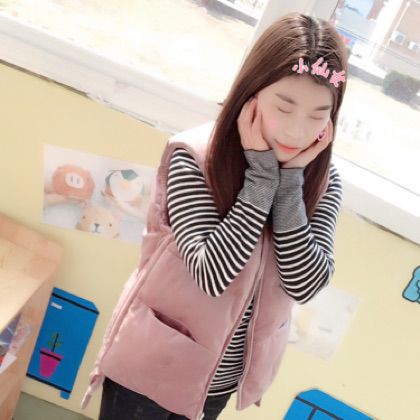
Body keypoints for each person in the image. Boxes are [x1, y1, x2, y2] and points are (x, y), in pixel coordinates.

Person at [81, 11, 348, 420]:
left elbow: (305, 284)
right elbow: (211, 274)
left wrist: (290, 185)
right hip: (150, 368)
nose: (297, 131)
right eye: (284, 106)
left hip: (219, 383)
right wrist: (263, 178)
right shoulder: (193, 155)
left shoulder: (323, 181)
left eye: (317, 115)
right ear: (251, 94)